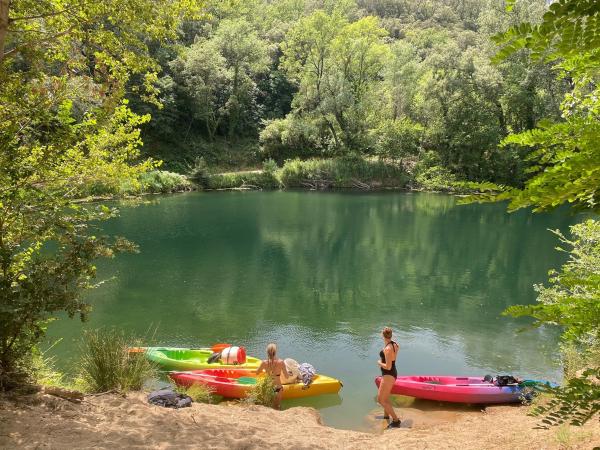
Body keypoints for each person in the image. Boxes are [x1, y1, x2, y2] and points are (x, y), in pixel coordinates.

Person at [377, 326, 401, 428]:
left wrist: (379, 363)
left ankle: (396, 420)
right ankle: (386, 416)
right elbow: (393, 359)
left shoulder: (387, 348)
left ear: (382, 335)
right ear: (390, 335)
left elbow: (388, 366)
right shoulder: (395, 344)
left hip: (388, 374)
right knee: (385, 398)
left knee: (381, 400)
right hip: (392, 373)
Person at [256, 343, 285, 409]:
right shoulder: (281, 362)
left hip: (268, 387)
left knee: (269, 407)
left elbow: (257, 373)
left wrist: (264, 370)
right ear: (275, 352)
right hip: (278, 387)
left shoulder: (264, 362)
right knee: (277, 406)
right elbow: (287, 376)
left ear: (267, 352)